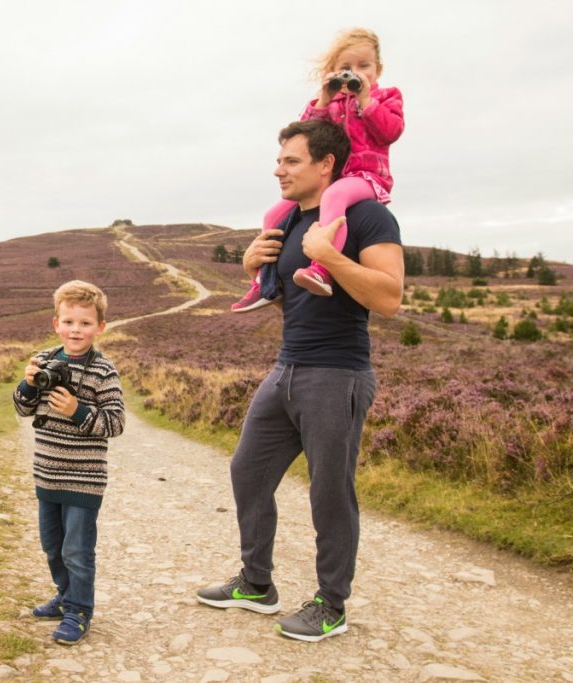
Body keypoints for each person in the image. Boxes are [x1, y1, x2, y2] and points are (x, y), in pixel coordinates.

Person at [197, 118, 404, 642]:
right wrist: (252, 265)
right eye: (279, 160)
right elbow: (287, 291)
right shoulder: (290, 220)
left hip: (339, 374)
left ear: (325, 164)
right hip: (287, 368)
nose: (278, 170)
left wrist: (331, 256)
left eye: (291, 160)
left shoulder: (367, 216)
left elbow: (389, 298)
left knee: (330, 493)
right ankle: (256, 583)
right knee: (247, 471)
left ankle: (331, 605)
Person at [232, 27, 403, 311]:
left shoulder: (386, 97)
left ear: (379, 69)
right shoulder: (334, 103)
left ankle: (321, 269)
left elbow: (391, 131)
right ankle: (265, 282)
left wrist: (365, 101)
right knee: (272, 214)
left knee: (334, 197)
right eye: (345, 68)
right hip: (336, 179)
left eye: (364, 66)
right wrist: (324, 99)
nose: (355, 73)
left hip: (366, 177)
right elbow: (306, 137)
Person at [13, 279, 125, 645]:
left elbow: (116, 423)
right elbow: (22, 408)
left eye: (85, 323)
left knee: (77, 550)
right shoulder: (45, 360)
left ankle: (79, 610)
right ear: (56, 323)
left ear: (100, 327)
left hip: (84, 479)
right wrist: (29, 384)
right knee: (53, 545)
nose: (76, 330)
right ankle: (65, 596)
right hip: (46, 474)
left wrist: (79, 412)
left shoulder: (103, 371)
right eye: (69, 322)